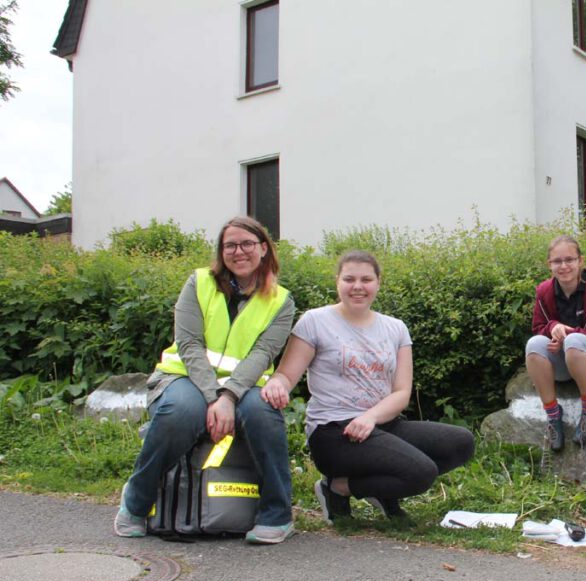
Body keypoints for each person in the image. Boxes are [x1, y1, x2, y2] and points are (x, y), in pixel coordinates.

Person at [114, 216, 296, 544]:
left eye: (247, 244)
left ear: (263, 249)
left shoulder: (282, 301)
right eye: (230, 245)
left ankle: (277, 514)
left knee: (262, 413)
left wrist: (229, 396)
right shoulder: (198, 282)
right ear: (221, 251)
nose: (238, 251)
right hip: (184, 377)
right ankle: (136, 501)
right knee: (181, 412)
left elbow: (262, 354)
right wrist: (214, 397)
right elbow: (188, 344)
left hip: (245, 384)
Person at [261, 250, 474, 521]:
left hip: (382, 424)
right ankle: (335, 487)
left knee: (460, 443)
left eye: (366, 279)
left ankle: (354, 487)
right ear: (337, 281)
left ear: (378, 283)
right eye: (349, 279)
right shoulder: (315, 321)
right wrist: (276, 385)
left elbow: (401, 392)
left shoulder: (396, 328)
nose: (358, 287)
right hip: (334, 432)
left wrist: (371, 417)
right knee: (421, 472)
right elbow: (286, 375)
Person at [526, 235, 586, 450]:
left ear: (581, 261)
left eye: (569, 259)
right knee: (533, 344)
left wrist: (568, 335)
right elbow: (538, 326)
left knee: (574, 341)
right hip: (563, 362)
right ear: (549, 264)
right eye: (557, 261)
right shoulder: (544, 291)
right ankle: (553, 414)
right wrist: (552, 328)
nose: (564, 266)